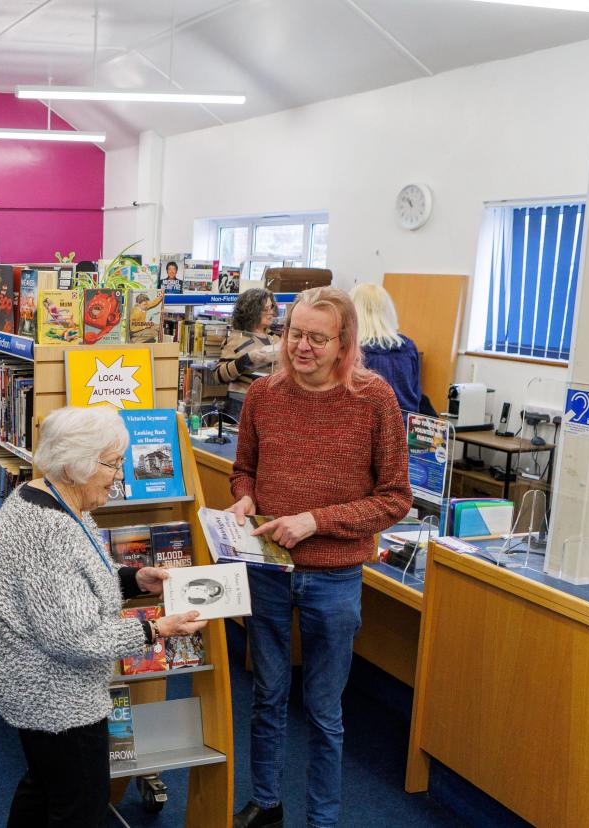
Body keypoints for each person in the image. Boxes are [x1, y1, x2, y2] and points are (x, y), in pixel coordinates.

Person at [227, 287, 412, 828]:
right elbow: (245, 470)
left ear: (343, 342)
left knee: (325, 712)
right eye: (293, 334)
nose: (300, 347)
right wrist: (244, 497)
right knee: (266, 696)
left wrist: (316, 521)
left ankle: (323, 818)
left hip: (333, 577)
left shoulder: (374, 399)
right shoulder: (264, 394)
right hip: (267, 568)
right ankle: (266, 802)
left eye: (315, 338)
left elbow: (395, 498)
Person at [0, 406, 208, 827]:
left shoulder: (54, 498)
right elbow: (74, 639)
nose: (120, 475)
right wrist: (157, 628)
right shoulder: (48, 531)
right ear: (78, 463)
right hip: (54, 694)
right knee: (81, 804)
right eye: (113, 463)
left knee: (45, 784)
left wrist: (136, 578)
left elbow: (79, 585)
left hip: (32, 682)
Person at [351, 283, 425, 413]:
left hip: (373, 428)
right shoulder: (408, 347)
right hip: (408, 427)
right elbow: (416, 395)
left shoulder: (354, 351)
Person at [214, 288, 281, 419]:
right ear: (252, 312)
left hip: (271, 403)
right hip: (241, 402)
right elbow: (219, 375)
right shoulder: (237, 339)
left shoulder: (274, 338)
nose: (271, 312)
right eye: (265, 309)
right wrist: (247, 360)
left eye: (271, 307)